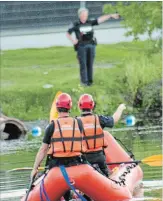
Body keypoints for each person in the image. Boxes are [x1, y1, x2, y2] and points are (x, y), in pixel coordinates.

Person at [30, 93, 85, 201]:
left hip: (57, 166)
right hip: (76, 164)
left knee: (45, 179)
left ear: (57, 107)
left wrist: (35, 168)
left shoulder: (51, 126)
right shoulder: (78, 123)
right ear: (70, 106)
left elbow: (43, 150)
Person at [66, 8, 119, 86]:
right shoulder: (75, 24)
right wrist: (73, 40)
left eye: (86, 14)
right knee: (83, 64)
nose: (85, 16)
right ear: (80, 15)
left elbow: (100, 20)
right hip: (81, 46)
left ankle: (90, 82)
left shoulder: (90, 22)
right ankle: (84, 82)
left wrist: (110, 15)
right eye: (83, 14)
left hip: (91, 45)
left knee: (90, 64)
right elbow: (68, 33)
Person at [77, 93, 126, 177]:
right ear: (92, 105)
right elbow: (113, 120)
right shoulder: (99, 119)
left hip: (85, 159)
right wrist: (120, 108)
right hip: (99, 157)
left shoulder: (75, 122)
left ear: (79, 106)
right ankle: (109, 177)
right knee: (107, 175)